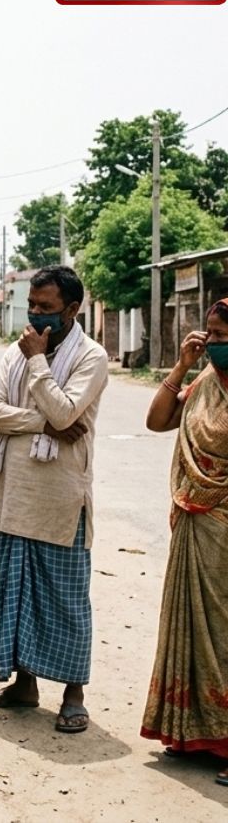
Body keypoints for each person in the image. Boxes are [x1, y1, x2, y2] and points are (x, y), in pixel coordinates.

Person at [0, 265, 109, 734]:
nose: (35, 315)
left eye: (46, 308)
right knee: (14, 593)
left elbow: (67, 410)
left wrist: (38, 366)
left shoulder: (91, 357)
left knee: (66, 599)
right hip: (15, 494)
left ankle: (74, 695)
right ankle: (23, 686)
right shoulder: (17, 350)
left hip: (61, 501)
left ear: (72, 310)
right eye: (32, 305)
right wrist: (42, 424)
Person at [139, 298, 228, 787]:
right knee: (194, 627)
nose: (213, 342)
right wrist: (181, 366)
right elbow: (156, 421)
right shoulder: (204, 384)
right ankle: (194, 734)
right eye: (209, 333)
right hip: (194, 522)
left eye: (220, 335)